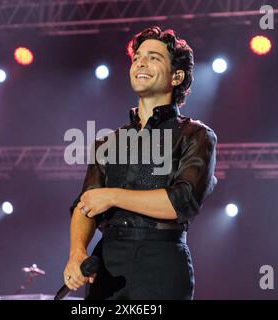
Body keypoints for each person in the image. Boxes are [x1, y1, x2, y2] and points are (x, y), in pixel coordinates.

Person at [63, 26, 217, 300]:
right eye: (136, 58)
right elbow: (85, 204)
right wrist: (77, 252)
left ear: (176, 76)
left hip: (161, 263)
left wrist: (112, 196)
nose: (140, 63)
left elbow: (181, 201)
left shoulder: (196, 135)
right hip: (107, 268)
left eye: (154, 57)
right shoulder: (107, 142)